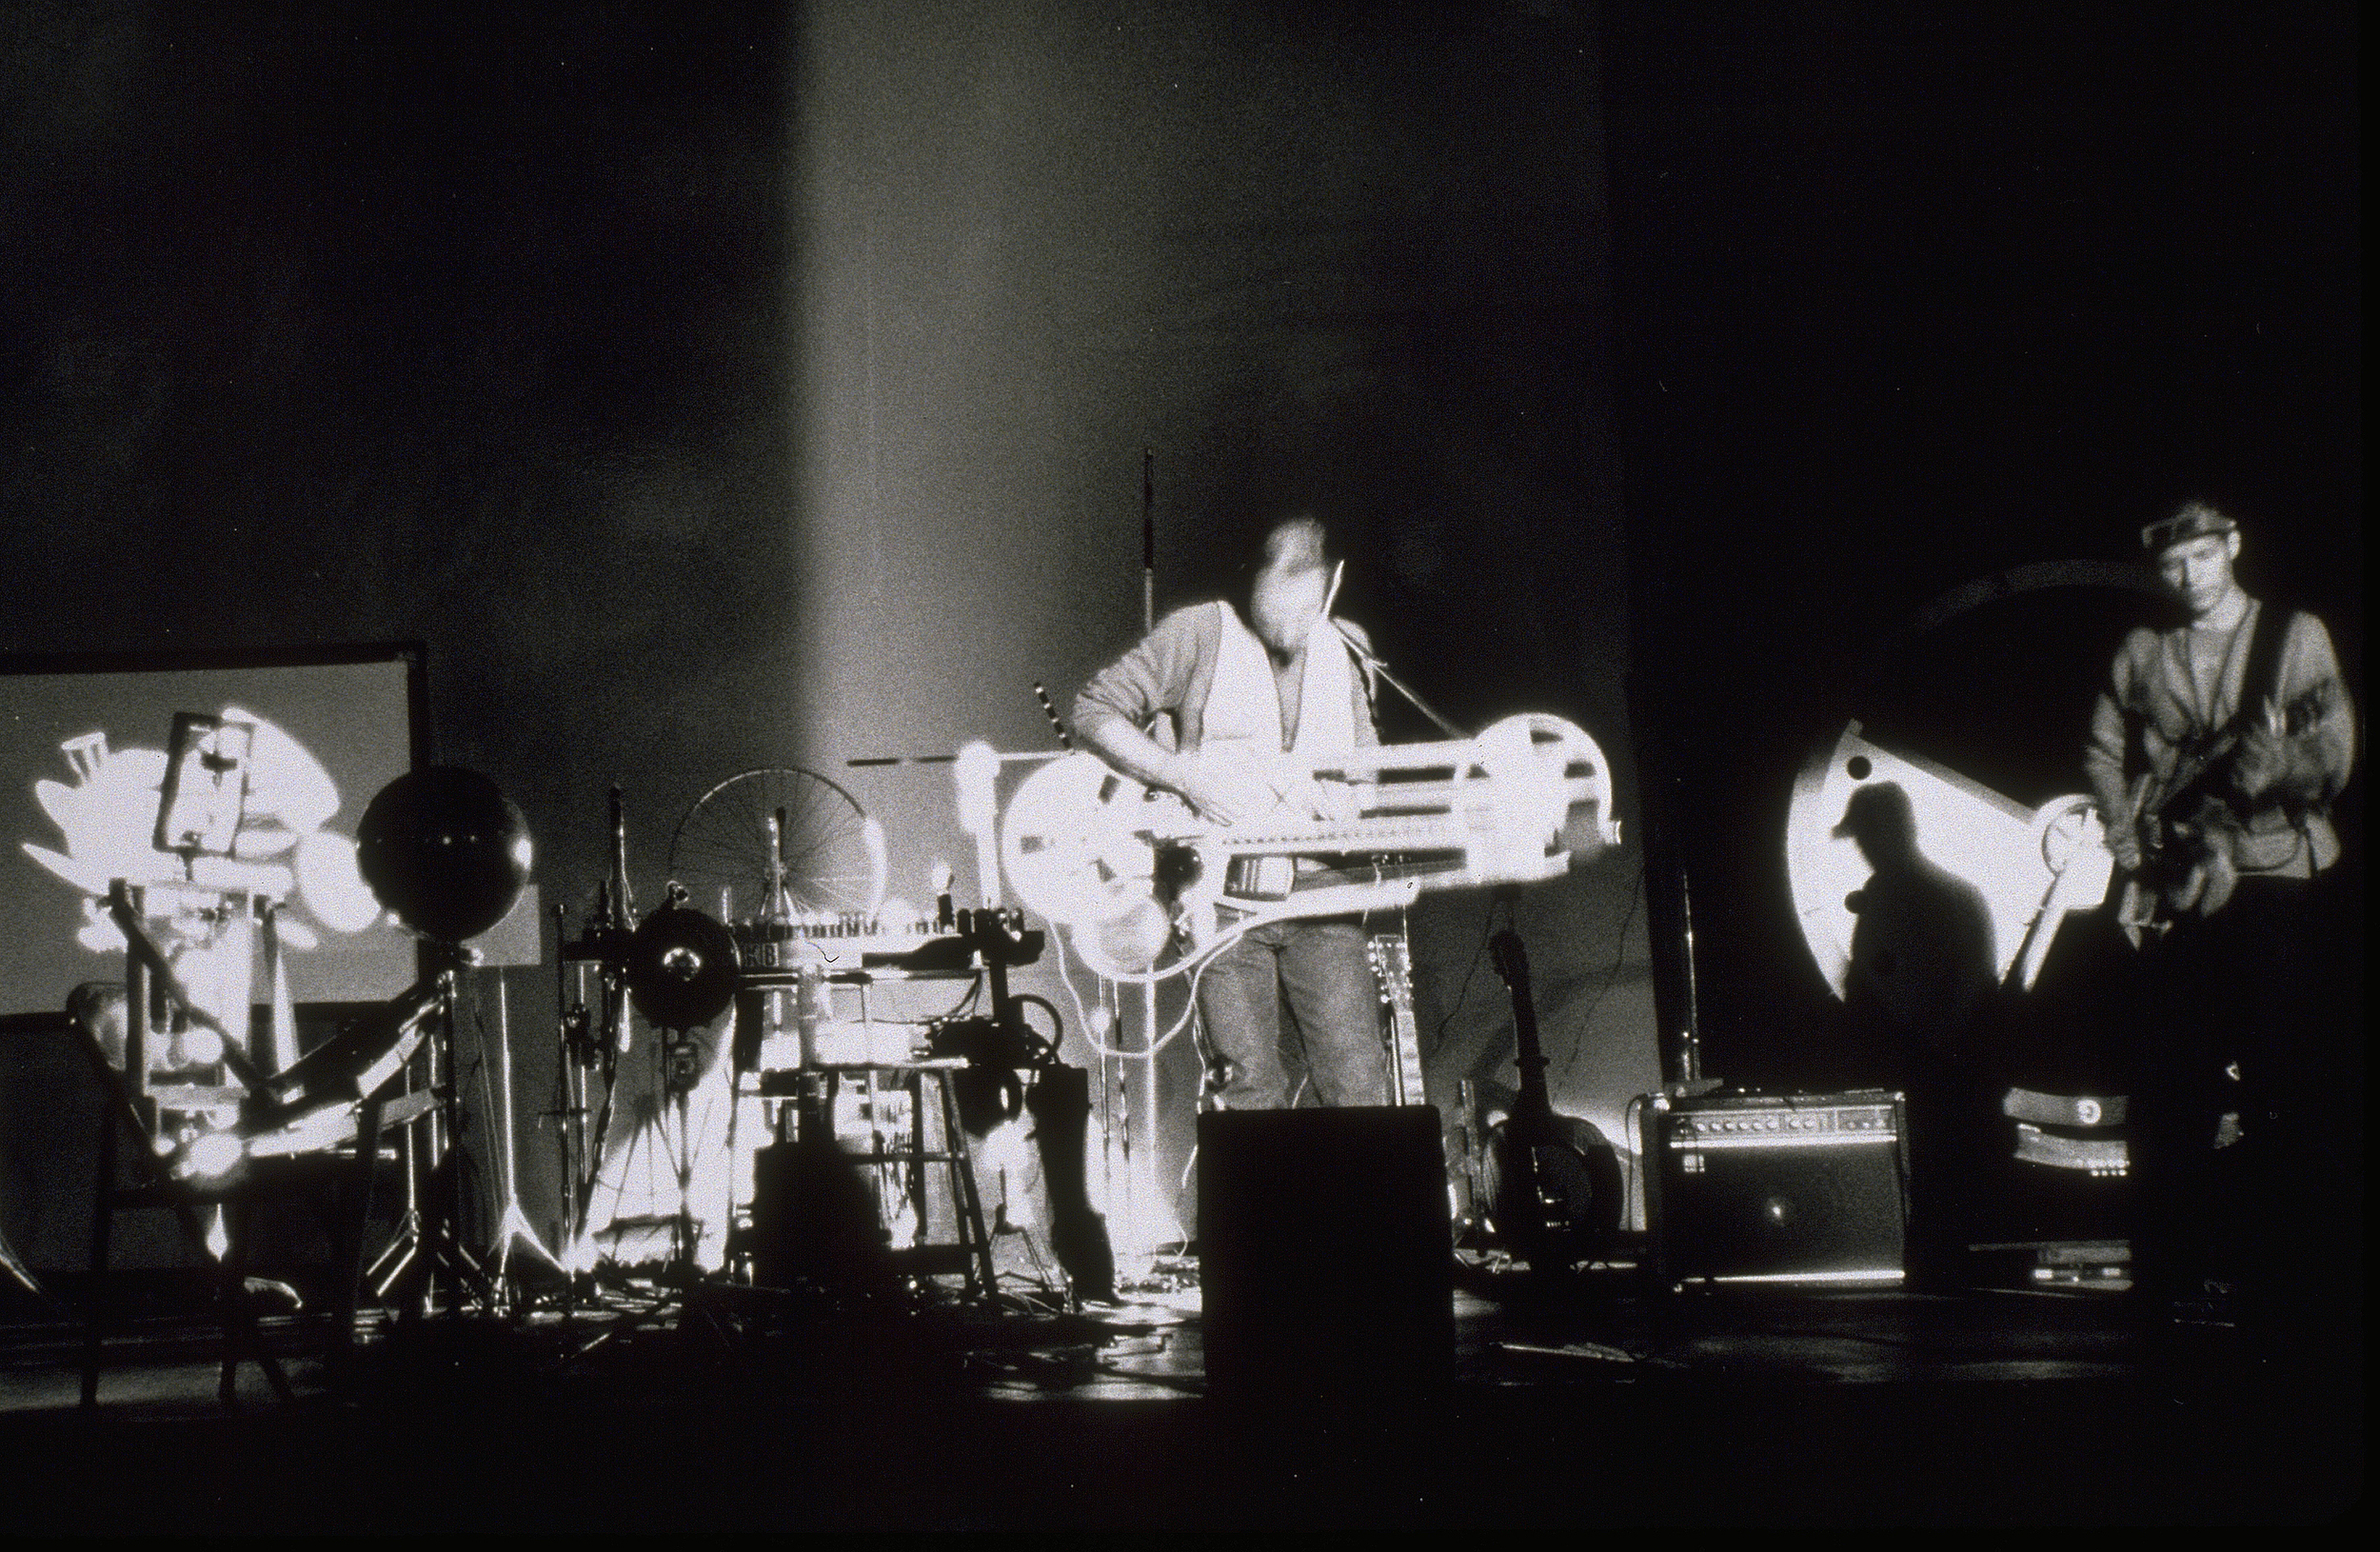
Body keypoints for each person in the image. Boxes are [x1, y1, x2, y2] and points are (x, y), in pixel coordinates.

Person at [2082, 501, 2355, 1330]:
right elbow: (2102, 752)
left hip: (2271, 870)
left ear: (2232, 546)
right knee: (2169, 1092)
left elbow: (2336, 749)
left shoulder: (2292, 635)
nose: (2188, 577)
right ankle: (2169, 1278)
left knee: (2283, 1081)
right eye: (2172, 566)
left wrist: (2281, 768)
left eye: (2202, 557)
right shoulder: (2141, 649)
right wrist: (2131, 851)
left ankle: (2293, 1280)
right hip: (2174, 882)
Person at [1068, 511, 1390, 1111]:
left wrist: (1353, 800)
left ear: (1331, 576)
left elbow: (1368, 768)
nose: (1297, 590)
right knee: (1248, 1091)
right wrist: (1183, 775)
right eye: (1283, 568)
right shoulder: (1197, 633)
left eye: (1310, 571)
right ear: (1254, 572)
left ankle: (1359, 1208)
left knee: (1360, 1090)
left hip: (1326, 896)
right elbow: (1094, 710)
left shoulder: (1349, 645)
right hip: (1221, 902)